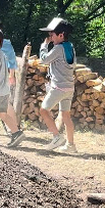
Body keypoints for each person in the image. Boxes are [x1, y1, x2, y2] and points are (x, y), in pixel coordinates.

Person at [35, 17, 77, 153]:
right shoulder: (70, 47)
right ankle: (71, 145)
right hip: (69, 87)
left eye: (51, 34)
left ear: (61, 35)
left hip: (58, 87)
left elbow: (44, 60)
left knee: (43, 110)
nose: (50, 37)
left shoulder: (58, 48)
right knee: (66, 115)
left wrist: (43, 46)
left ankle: (56, 137)